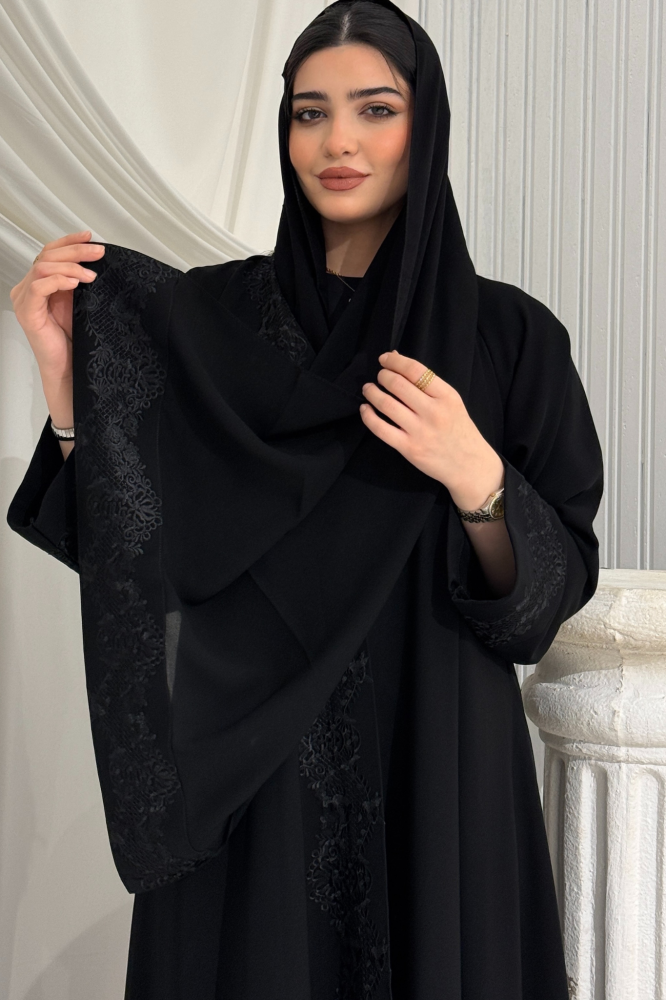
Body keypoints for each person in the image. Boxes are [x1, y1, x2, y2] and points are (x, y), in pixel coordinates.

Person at [7, 1, 603, 997]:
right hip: (250, 788)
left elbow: (542, 611)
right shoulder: (207, 324)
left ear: (427, 125)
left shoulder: (508, 341)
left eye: (376, 109)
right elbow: (137, 559)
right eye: (309, 112)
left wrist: (476, 474)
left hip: (437, 780)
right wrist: (71, 396)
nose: (338, 142)